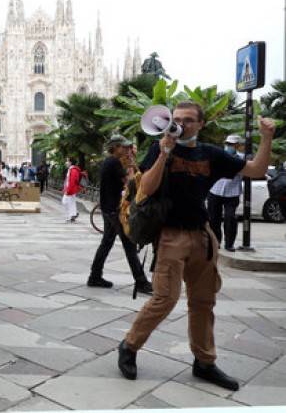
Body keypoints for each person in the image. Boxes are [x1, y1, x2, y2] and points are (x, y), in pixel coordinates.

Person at [118, 101, 276, 392]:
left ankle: (204, 362)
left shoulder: (211, 154)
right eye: (176, 119)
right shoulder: (160, 148)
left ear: (201, 124)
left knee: (204, 302)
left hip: (202, 237)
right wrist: (164, 152)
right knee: (164, 299)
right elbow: (147, 189)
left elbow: (255, 169)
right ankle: (129, 346)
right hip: (170, 236)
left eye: (188, 120)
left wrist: (266, 138)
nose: (181, 125)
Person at [87, 135, 153, 294]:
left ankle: (95, 276)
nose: (126, 150)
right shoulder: (114, 162)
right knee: (129, 244)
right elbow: (131, 183)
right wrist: (131, 165)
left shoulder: (110, 161)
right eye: (123, 147)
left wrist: (130, 161)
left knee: (107, 242)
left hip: (108, 208)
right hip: (115, 210)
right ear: (115, 147)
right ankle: (141, 282)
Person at [207, 135, 244, 251]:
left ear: (238, 145)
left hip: (232, 193)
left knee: (230, 218)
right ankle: (216, 241)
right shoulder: (218, 156)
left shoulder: (242, 159)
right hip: (215, 191)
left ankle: (229, 244)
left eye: (232, 144)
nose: (229, 147)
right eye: (228, 144)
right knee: (213, 219)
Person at [62, 157, 81, 223]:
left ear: (71, 162)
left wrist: (69, 190)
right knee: (69, 202)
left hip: (71, 190)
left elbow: (72, 181)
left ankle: (73, 215)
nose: (66, 162)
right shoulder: (71, 169)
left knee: (67, 202)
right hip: (69, 189)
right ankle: (73, 214)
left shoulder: (73, 170)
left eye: (67, 161)